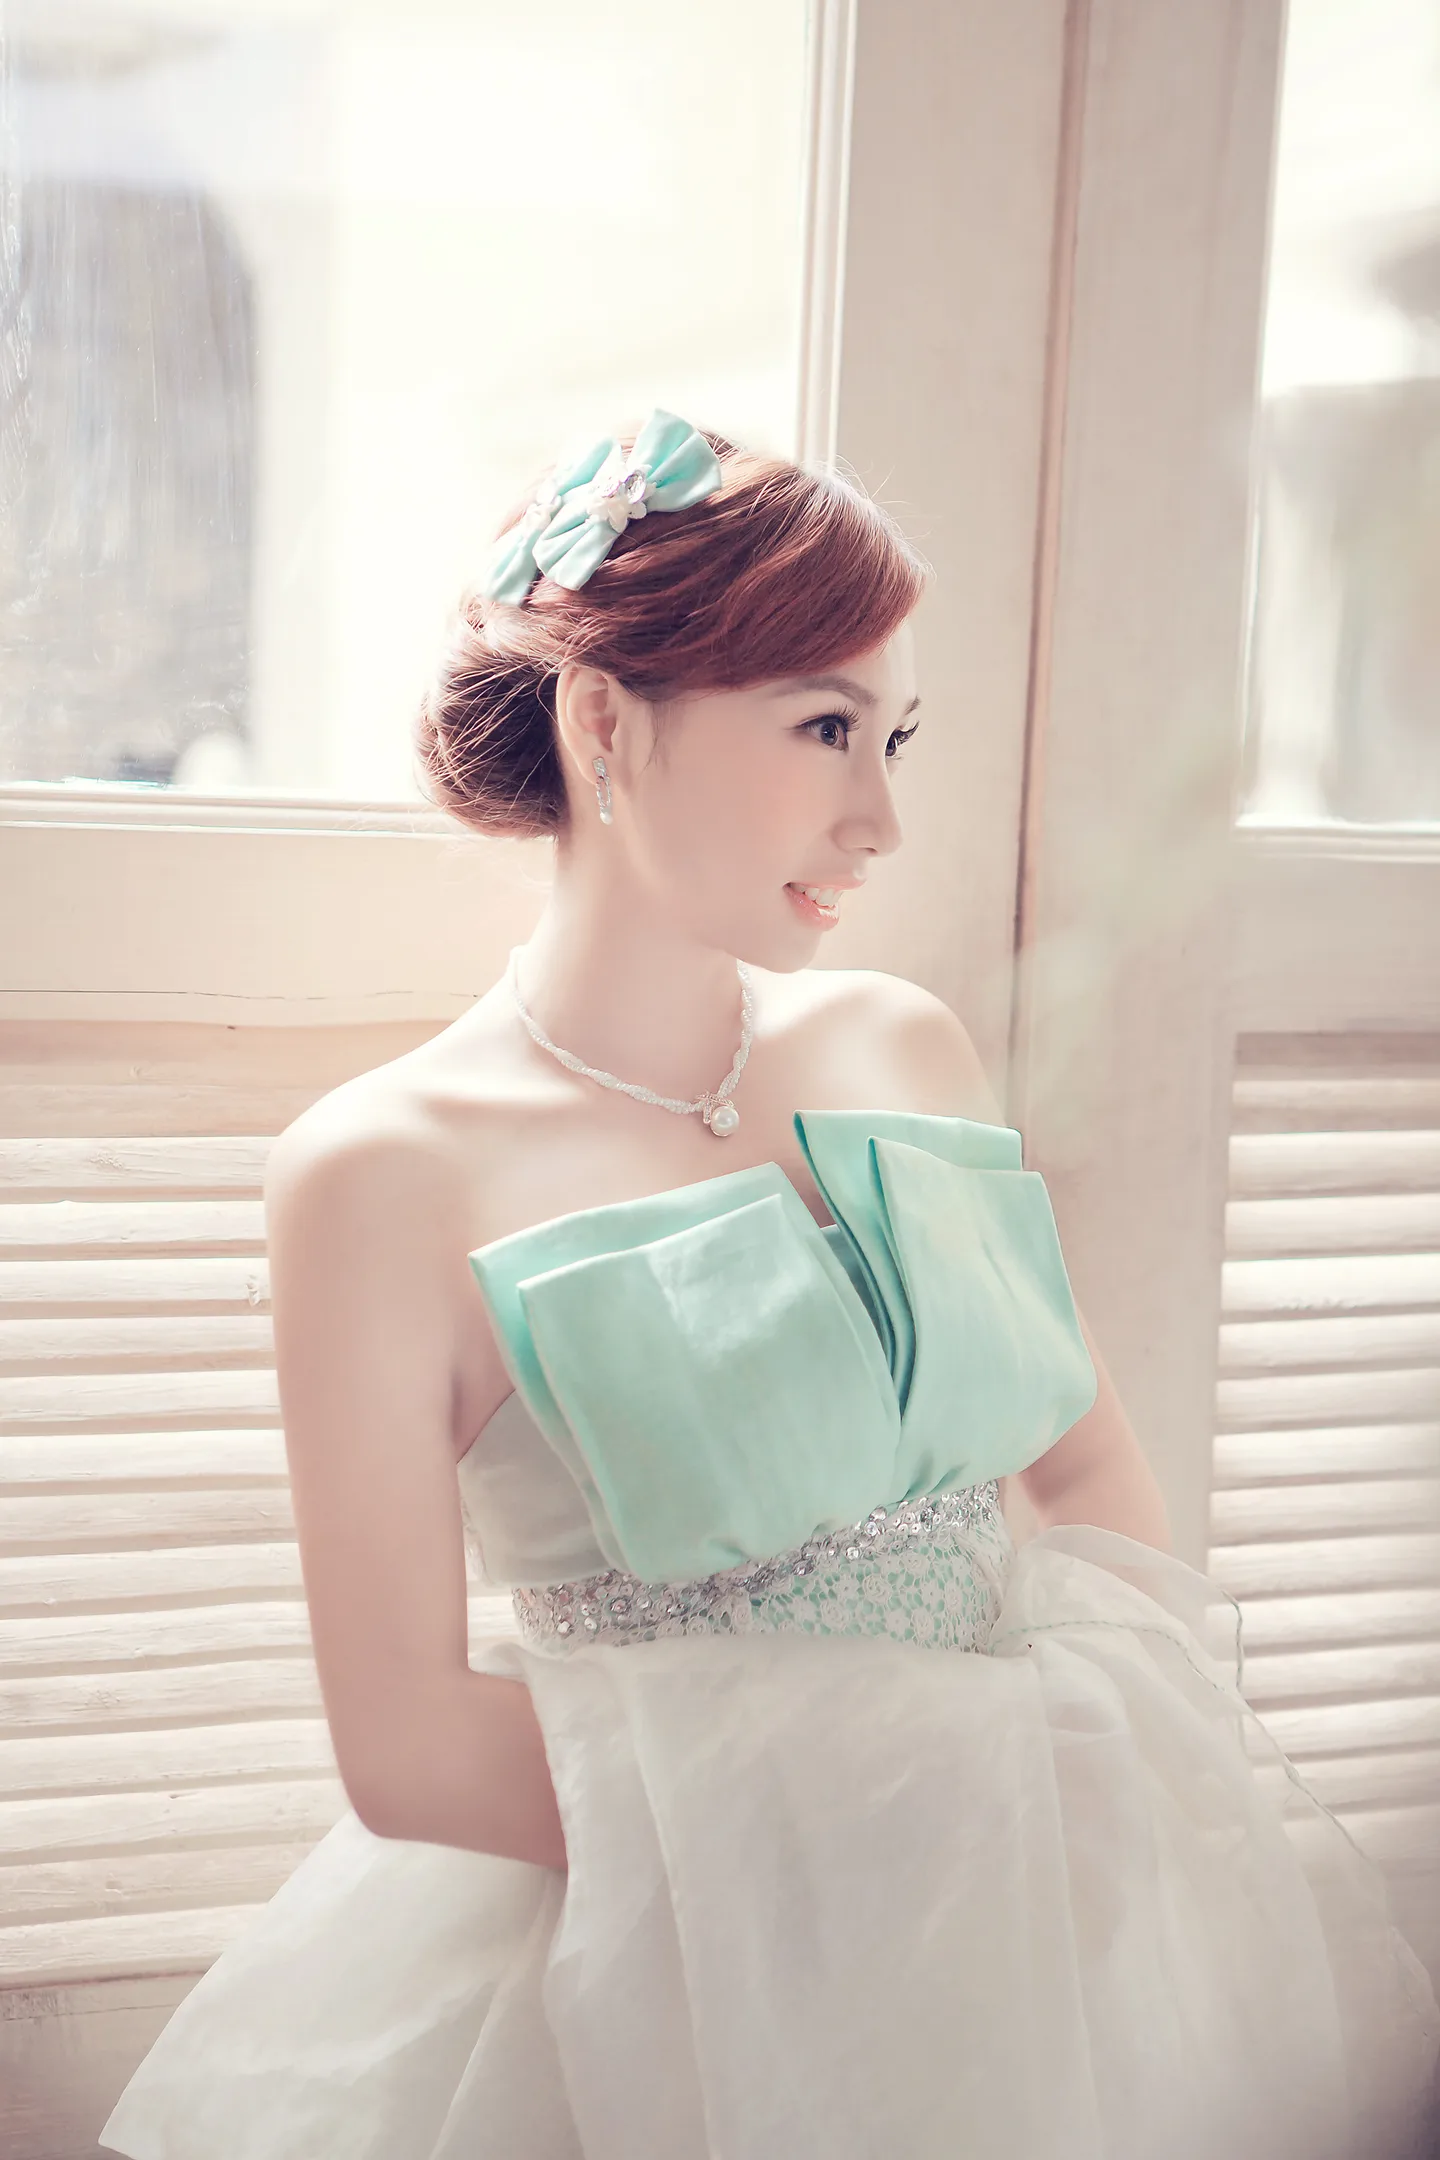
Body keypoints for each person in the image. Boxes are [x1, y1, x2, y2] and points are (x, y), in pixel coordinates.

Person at [101, 410, 1439, 2160]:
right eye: (824, 728)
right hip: (657, 1967)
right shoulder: (380, 1171)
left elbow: (1084, 1463)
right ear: (603, 722)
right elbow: (406, 1743)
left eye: (895, 738)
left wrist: (1080, 1802)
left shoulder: (901, 1047)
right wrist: (854, 1852)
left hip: (1022, 1928)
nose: (879, 819)